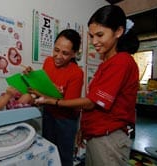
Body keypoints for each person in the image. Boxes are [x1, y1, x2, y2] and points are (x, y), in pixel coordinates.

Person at [33, 5, 140, 166]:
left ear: (118, 32)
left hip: (108, 136)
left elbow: (91, 102)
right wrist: (84, 128)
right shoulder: (107, 63)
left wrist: (51, 100)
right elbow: (95, 103)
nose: (94, 42)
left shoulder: (121, 62)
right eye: (91, 36)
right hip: (96, 133)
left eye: (100, 35)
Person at [24, 29, 84, 166]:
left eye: (65, 53)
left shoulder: (76, 73)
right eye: (56, 50)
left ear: (74, 54)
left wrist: (44, 97)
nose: (58, 56)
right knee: (48, 150)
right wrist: (32, 76)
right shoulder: (48, 62)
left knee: (63, 156)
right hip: (49, 113)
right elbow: (44, 84)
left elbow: (70, 104)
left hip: (66, 120)